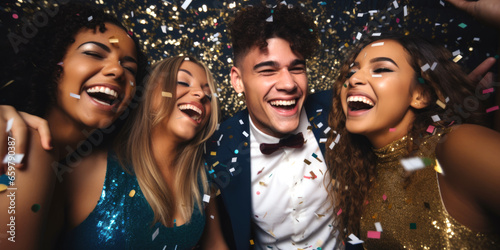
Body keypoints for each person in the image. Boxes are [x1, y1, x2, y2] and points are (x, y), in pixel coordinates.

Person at [326, 33, 500, 249]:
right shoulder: (363, 177)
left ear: (421, 95)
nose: (353, 79)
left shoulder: (457, 144)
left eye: (381, 69)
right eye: (352, 72)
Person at [0, 2, 146, 249]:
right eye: (93, 53)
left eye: (129, 68)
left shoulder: (86, 172)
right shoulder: (25, 144)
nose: (116, 71)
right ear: (52, 62)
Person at [48, 55, 228, 249]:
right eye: (182, 82)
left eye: (208, 95)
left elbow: (216, 246)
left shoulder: (202, 182)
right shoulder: (87, 169)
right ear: (147, 92)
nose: (200, 95)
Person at [204, 4, 339, 250]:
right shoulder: (218, 148)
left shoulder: (336, 112)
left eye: (296, 68)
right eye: (268, 70)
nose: (288, 84)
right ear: (238, 81)